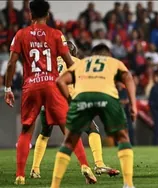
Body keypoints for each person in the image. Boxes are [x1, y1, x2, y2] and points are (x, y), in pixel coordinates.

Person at [3, 0, 93, 185]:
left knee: (27, 130)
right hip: (52, 85)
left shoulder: (21, 34)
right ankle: (85, 165)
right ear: (48, 15)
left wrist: (8, 88)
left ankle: (20, 175)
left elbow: (11, 63)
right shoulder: (56, 34)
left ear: (30, 14)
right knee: (69, 128)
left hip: (31, 85)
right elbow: (69, 62)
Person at [50, 44, 137, 188]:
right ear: (107, 55)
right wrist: (133, 105)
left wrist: (71, 101)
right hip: (107, 96)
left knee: (69, 141)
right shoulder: (113, 62)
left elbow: (60, 81)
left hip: (82, 97)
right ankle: (128, 183)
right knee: (122, 137)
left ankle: (54, 185)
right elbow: (128, 78)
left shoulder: (82, 63)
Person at [31, 41, 119, 179]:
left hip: (47, 101)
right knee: (92, 129)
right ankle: (98, 163)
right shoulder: (76, 62)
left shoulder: (49, 62)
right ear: (73, 52)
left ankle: (35, 169)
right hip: (67, 102)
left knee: (44, 134)